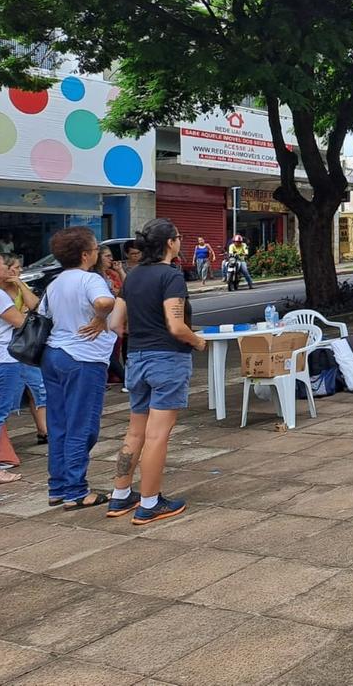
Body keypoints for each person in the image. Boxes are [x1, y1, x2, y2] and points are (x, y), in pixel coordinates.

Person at [107, 220, 205, 524]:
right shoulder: (171, 276)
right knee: (158, 435)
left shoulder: (132, 277)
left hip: (135, 358)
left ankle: (120, 495)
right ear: (170, 244)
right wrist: (197, 341)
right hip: (167, 360)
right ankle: (150, 502)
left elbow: (114, 324)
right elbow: (176, 326)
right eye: (178, 238)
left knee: (136, 431)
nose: (179, 241)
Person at [41, 227, 116, 509]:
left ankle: (57, 487)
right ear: (85, 254)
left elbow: (44, 313)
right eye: (96, 249)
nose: (98, 253)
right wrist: (100, 318)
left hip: (53, 355)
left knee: (58, 424)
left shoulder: (55, 282)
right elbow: (105, 301)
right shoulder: (89, 279)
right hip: (83, 358)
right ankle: (76, 491)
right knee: (82, 426)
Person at [2, 257, 48, 445]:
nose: (17, 271)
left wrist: (20, 284)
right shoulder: (0, 294)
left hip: (24, 347)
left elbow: (37, 307)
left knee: (38, 387)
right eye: (13, 267)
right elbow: (21, 320)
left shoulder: (18, 287)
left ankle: (44, 431)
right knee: (6, 402)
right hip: (9, 349)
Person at [0, 254, 26, 483]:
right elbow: (21, 322)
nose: (5, 268)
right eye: (1, 264)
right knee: (0, 412)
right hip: (4, 359)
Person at [94, 246, 126, 387]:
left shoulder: (111, 274)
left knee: (114, 349)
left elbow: (127, 288)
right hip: (101, 320)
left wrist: (119, 271)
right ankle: (124, 378)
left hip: (114, 317)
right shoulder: (93, 277)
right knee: (107, 352)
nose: (110, 259)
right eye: (107, 256)